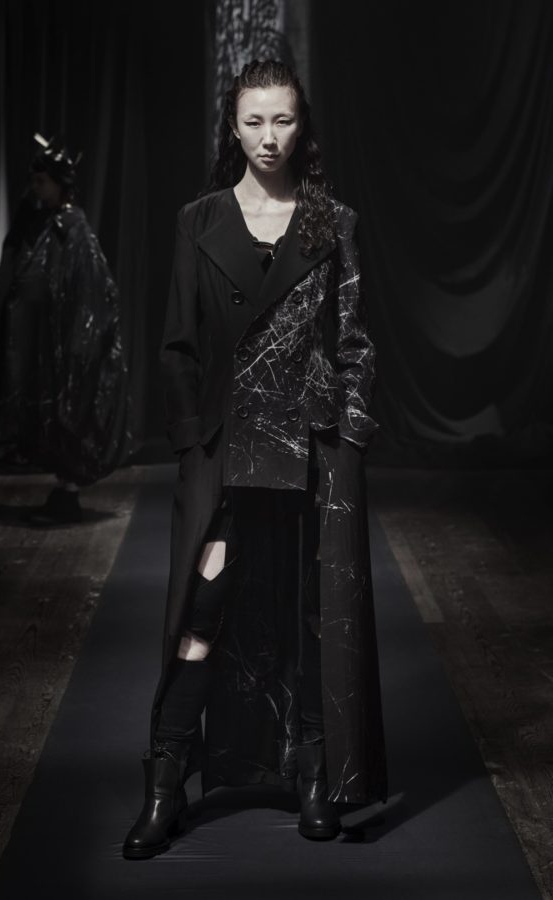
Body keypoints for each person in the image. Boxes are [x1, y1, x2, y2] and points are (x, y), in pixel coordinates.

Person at [123, 58, 387, 859]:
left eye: (283, 120)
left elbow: (355, 341)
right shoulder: (198, 220)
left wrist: (348, 435)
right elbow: (176, 347)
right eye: (254, 121)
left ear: (302, 125)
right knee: (200, 617)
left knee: (313, 618)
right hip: (226, 454)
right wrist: (191, 446)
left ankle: (314, 776)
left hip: (312, 452)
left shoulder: (332, 221)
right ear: (232, 127)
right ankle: (165, 783)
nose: (269, 137)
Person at [0, 134, 133, 524]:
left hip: (68, 347)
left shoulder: (74, 230)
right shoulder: (46, 224)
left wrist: (78, 344)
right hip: (48, 344)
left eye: (41, 182)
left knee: (68, 414)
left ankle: (68, 491)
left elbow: (92, 292)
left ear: (59, 183)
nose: (35, 189)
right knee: (46, 416)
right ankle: (64, 489)